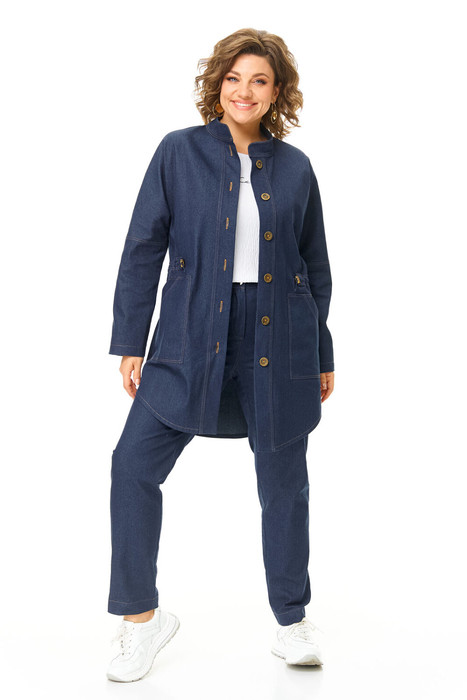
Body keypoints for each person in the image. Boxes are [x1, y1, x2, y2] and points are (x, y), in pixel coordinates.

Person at [106, 28, 335, 682]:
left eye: (259, 80)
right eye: (235, 78)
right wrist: (130, 340)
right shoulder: (177, 152)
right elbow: (143, 248)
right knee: (132, 466)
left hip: (279, 338)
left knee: (284, 484)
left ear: (276, 91)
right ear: (217, 84)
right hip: (188, 334)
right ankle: (140, 622)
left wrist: (321, 350)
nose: (244, 91)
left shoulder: (296, 167)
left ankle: (291, 622)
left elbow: (314, 266)